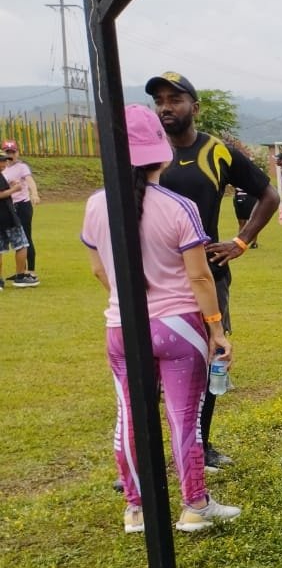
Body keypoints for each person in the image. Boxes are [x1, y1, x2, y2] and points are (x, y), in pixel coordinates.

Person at [80, 105, 241, 534]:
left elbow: (99, 271)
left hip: (121, 326)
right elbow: (199, 275)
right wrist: (217, 327)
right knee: (183, 417)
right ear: (162, 152)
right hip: (180, 326)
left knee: (130, 415)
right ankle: (194, 505)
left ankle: (136, 508)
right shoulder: (178, 207)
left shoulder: (96, 206)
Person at [147, 71, 281, 470]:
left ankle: (200, 446)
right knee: (151, 369)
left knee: (209, 360)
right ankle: (148, 455)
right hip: (157, 279)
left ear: (195, 107)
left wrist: (240, 242)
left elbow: (269, 194)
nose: (166, 107)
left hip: (207, 276)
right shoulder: (147, 153)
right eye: (160, 101)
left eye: (175, 99)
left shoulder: (218, 151)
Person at [1, 140, 40, 286]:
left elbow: (30, 180)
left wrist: (34, 194)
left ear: (17, 153)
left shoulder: (22, 167)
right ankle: (20, 271)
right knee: (13, 240)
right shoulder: (2, 169)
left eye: (12, 152)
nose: (10, 155)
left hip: (22, 205)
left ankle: (30, 270)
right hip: (8, 208)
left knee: (25, 237)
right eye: (7, 152)